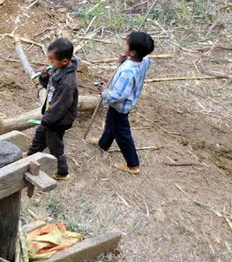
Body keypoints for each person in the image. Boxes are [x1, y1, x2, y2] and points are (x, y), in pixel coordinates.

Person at [91, 31, 154, 175]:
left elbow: (119, 95)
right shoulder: (143, 61)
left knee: (122, 134)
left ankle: (133, 164)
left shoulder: (127, 72)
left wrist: (104, 91)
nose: (124, 44)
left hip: (120, 106)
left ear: (132, 52)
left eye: (126, 43)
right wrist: (126, 59)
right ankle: (103, 144)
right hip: (120, 106)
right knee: (111, 123)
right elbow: (145, 59)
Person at [27, 37, 79, 180]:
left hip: (58, 120)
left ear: (64, 61)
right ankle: (29, 157)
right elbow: (49, 86)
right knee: (40, 136)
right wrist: (44, 76)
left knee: (55, 145)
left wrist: (47, 120)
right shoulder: (58, 70)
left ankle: (62, 172)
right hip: (50, 117)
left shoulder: (68, 82)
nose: (50, 64)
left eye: (52, 61)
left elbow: (60, 106)